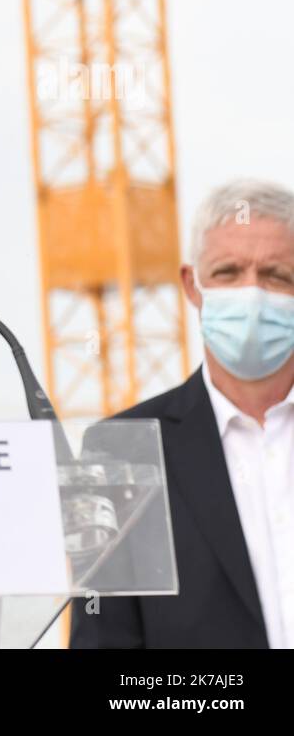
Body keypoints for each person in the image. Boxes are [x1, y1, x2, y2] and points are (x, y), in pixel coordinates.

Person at [70, 178, 294, 648]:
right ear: (192, 286)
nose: (251, 294)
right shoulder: (119, 451)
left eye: (276, 276)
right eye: (229, 272)